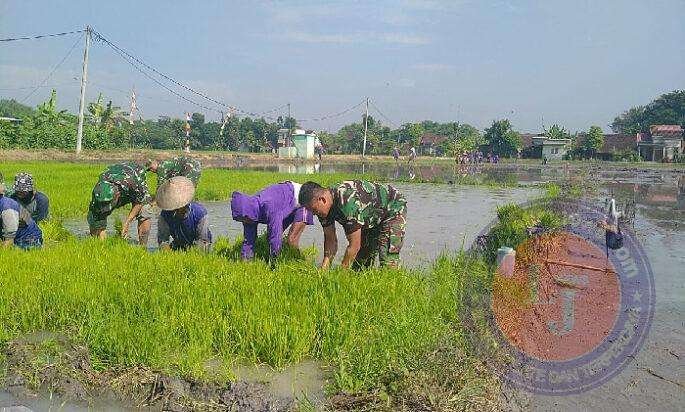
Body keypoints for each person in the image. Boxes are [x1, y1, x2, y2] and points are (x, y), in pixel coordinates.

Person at [299, 180, 407, 269]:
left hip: (392, 207)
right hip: (369, 216)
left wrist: (341, 274)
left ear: (322, 200)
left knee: (388, 260)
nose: (313, 214)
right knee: (360, 264)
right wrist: (324, 268)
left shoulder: (347, 201)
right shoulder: (322, 210)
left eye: (314, 210)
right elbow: (330, 239)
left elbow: (354, 245)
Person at [231, 181, 314, 261]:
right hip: (285, 204)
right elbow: (249, 240)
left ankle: (298, 261)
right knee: (269, 238)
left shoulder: (269, 206)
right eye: (241, 220)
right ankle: (282, 253)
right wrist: (246, 260)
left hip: (304, 200)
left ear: (248, 213)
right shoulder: (247, 213)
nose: (245, 222)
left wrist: (274, 263)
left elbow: (275, 235)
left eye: (245, 219)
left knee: (291, 240)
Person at [87, 161, 152, 244]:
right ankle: (99, 242)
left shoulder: (133, 182)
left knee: (144, 211)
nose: (107, 207)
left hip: (135, 176)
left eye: (108, 203)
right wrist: (101, 244)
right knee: (97, 215)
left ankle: (143, 246)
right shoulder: (98, 191)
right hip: (117, 178)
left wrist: (127, 223)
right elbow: (94, 216)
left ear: (117, 195)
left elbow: (139, 202)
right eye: (104, 203)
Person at [156, 176, 212, 252]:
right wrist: (167, 255)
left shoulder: (199, 212)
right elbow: (163, 240)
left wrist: (194, 255)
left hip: (201, 244)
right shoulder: (165, 215)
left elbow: (202, 239)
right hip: (178, 244)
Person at [0, 172, 42, 249]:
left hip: (28, 240)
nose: (20, 193)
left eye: (23, 191)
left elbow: (9, 239)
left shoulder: (7, 206)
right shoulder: (12, 197)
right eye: (18, 190)